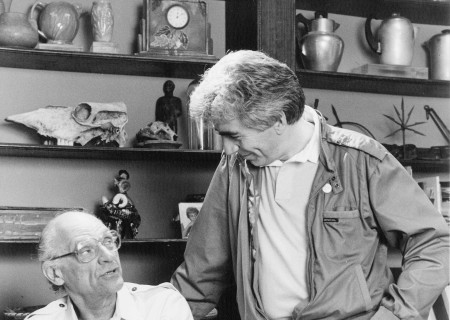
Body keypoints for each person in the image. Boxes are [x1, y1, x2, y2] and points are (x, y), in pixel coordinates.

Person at [171, 50, 449, 320]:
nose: (228, 149)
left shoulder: (362, 159)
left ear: (278, 120)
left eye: (234, 136)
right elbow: (201, 272)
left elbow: (434, 242)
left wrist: (396, 315)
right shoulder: (235, 165)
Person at [26, 210, 193, 320]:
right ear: (55, 273)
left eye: (108, 241)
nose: (108, 256)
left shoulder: (162, 307)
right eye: (86, 250)